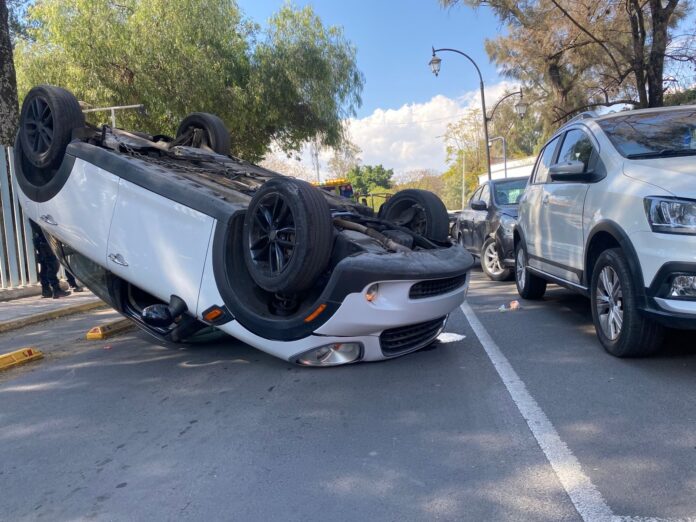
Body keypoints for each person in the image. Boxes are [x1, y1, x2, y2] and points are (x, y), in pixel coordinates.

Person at [30, 222, 74, 298]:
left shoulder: (32, 212)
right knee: (52, 265)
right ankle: (56, 289)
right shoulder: (40, 212)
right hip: (45, 239)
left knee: (45, 265)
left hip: (39, 238)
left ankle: (46, 290)